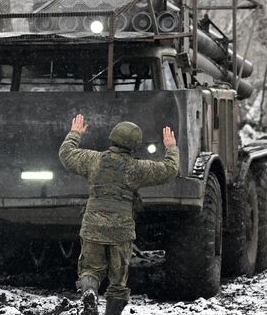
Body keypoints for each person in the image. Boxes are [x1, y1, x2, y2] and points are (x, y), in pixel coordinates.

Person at [58, 114, 179, 315]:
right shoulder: (137, 167)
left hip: (92, 225)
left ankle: (89, 291)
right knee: (118, 281)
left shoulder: (93, 159)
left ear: (112, 138)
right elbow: (169, 169)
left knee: (90, 269)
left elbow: (66, 154)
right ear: (134, 145)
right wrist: (171, 147)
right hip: (120, 230)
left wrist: (75, 133)